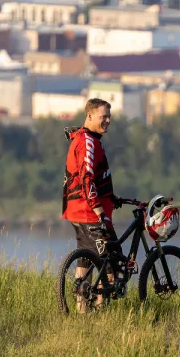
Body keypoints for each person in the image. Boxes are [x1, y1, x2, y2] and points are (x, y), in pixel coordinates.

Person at [62, 98, 125, 307]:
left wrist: (111, 198)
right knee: (112, 262)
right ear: (89, 116)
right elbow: (87, 178)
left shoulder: (90, 138)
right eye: (103, 116)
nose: (107, 120)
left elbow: (98, 178)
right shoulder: (87, 142)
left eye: (109, 116)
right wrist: (100, 211)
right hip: (89, 213)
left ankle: (82, 312)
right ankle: (99, 310)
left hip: (79, 211)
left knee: (86, 259)